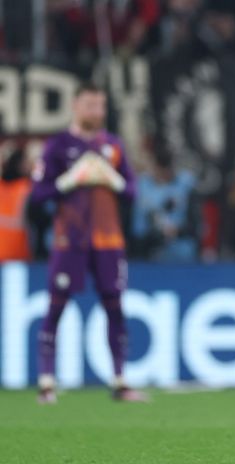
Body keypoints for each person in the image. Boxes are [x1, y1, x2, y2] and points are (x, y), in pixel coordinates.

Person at [29, 82, 147, 404]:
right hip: (70, 239)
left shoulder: (113, 145)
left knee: (115, 308)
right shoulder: (58, 146)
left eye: (101, 106)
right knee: (56, 306)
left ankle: (120, 382)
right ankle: (46, 383)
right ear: (76, 106)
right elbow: (37, 195)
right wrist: (71, 179)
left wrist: (112, 178)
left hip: (108, 240)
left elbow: (133, 193)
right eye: (91, 105)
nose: (97, 112)